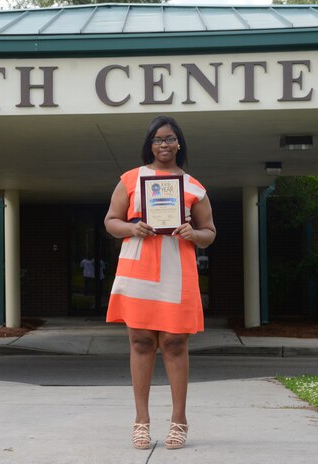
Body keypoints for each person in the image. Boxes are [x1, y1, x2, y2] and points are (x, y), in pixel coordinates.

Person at [104, 115, 216, 450]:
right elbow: (111, 221)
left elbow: (209, 232)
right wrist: (131, 227)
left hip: (175, 268)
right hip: (138, 266)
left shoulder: (194, 186)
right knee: (140, 342)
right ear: (149, 145)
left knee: (174, 344)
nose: (163, 145)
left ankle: (179, 421)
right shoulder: (131, 179)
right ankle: (141, 422)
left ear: (179, 142)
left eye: (169, 139)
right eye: (157, 140)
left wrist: (192, 233)